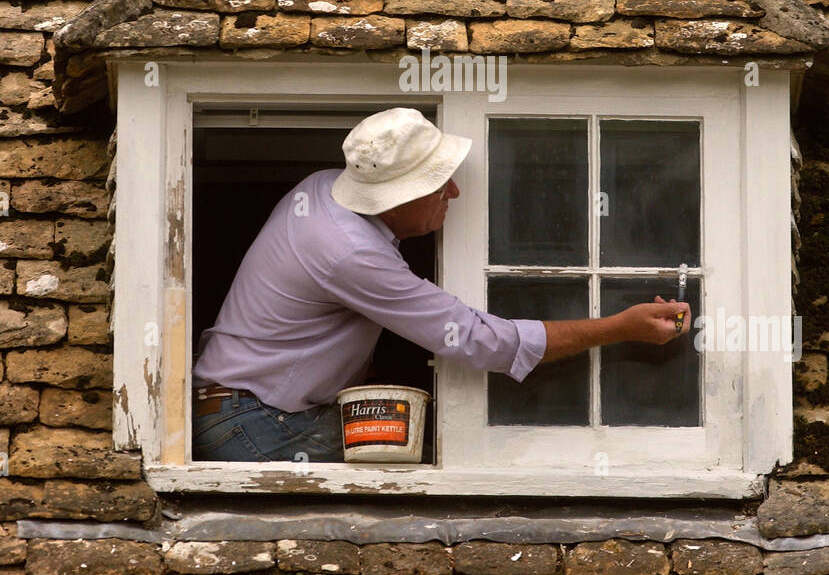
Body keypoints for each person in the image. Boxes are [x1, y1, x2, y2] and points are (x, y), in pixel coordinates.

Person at [192, 107, 690, 462]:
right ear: (393, 196)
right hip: (256, 423)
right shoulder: (350, 251)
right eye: (437, 182)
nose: (454, 191)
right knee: (434, 466)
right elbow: (477, 340)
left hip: (238, 409)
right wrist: (618, 327)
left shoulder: (321, 186)